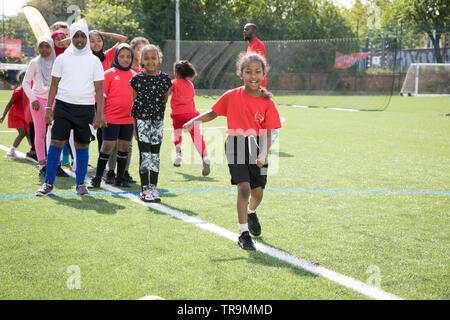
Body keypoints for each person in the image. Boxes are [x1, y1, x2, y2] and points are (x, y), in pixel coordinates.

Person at [183, 52, 281, 250]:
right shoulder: (232, 96)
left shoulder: (267, 102)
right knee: (243, 187)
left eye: (257, 72)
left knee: (258, 193)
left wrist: (262, 153)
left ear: (264, 74)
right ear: (241, 74)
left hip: (258, 146)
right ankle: (243, 233)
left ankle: (251, 212)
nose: (253, 76)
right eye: (248, 72)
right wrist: (194, 120)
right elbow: (213, 113)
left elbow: (269, 132)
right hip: (235, 144)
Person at [36, 19, 106, 196]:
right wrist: (48, 108)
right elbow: (53, 85)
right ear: (71, 38)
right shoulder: (62, 58)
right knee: (56, 143)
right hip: (63, 107)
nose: (80, 40)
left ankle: (80, 184)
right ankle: (48, 183)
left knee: (81, 146)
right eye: (76, 36)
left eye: (83, 36)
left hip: (85, 109)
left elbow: (99, 89)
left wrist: (99, 114)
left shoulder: (94, 61)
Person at [88, 43, 136, 189]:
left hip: (128, 119)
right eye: (122, 56)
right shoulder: (109, 73)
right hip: (110, 118)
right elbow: (100, 96)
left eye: (128, 56)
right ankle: (97, 178)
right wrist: (100, 115)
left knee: (124, 147)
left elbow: (136, 99)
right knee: (107, 146)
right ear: (116, 57)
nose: (125, 59)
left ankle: (120, 178)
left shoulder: (135, 76)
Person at [130, 44, 172, 203]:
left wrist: (156, 114)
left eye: (153, 58)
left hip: (157, 122)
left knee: (155, 155)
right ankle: (144, 189)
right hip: (141, 122)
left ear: (159, 59)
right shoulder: (137, 79)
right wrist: (135, 126)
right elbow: (134, 102)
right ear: (141, 60)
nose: (150, 61)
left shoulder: (165, 79)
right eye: (146, 59)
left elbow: (165, 99)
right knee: (145, 155)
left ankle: (153, 187)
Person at [23, 36, 68, 177]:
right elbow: (25, 83)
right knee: (41, 133)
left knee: (57, 133)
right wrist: (33, 99)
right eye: (41, 46)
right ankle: (42, 164)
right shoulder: (34, 63)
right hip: (38, 101)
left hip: (56, 101)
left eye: (47, 46)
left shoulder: (58, 62)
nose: (44, 50)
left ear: (52, 47)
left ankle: (57, 164)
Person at [170, 60, 210, 176]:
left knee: (177, 131)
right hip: (192, 114)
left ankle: (178, 153)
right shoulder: (190, 85)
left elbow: (166, 90)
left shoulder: (174, 83)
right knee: (197, 135)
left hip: (178, 114)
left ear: (177, 73)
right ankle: (205, 156)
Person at [0, 71, 31, 158]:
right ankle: (11, 152)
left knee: (29, 133)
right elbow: (9, 103)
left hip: (25, 115)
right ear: (21, 81)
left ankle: (32, 151)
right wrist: (3, 115)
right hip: (16, 115)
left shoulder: (31, 90)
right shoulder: (18, 91)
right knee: (22, 133)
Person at [244, 23, 267, 88]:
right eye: (244, 29)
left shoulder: (258, 44)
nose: (244, 31)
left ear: (254, 31)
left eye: (247, 29)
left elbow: (258, 65)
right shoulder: (250, 46)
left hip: (256, 82)